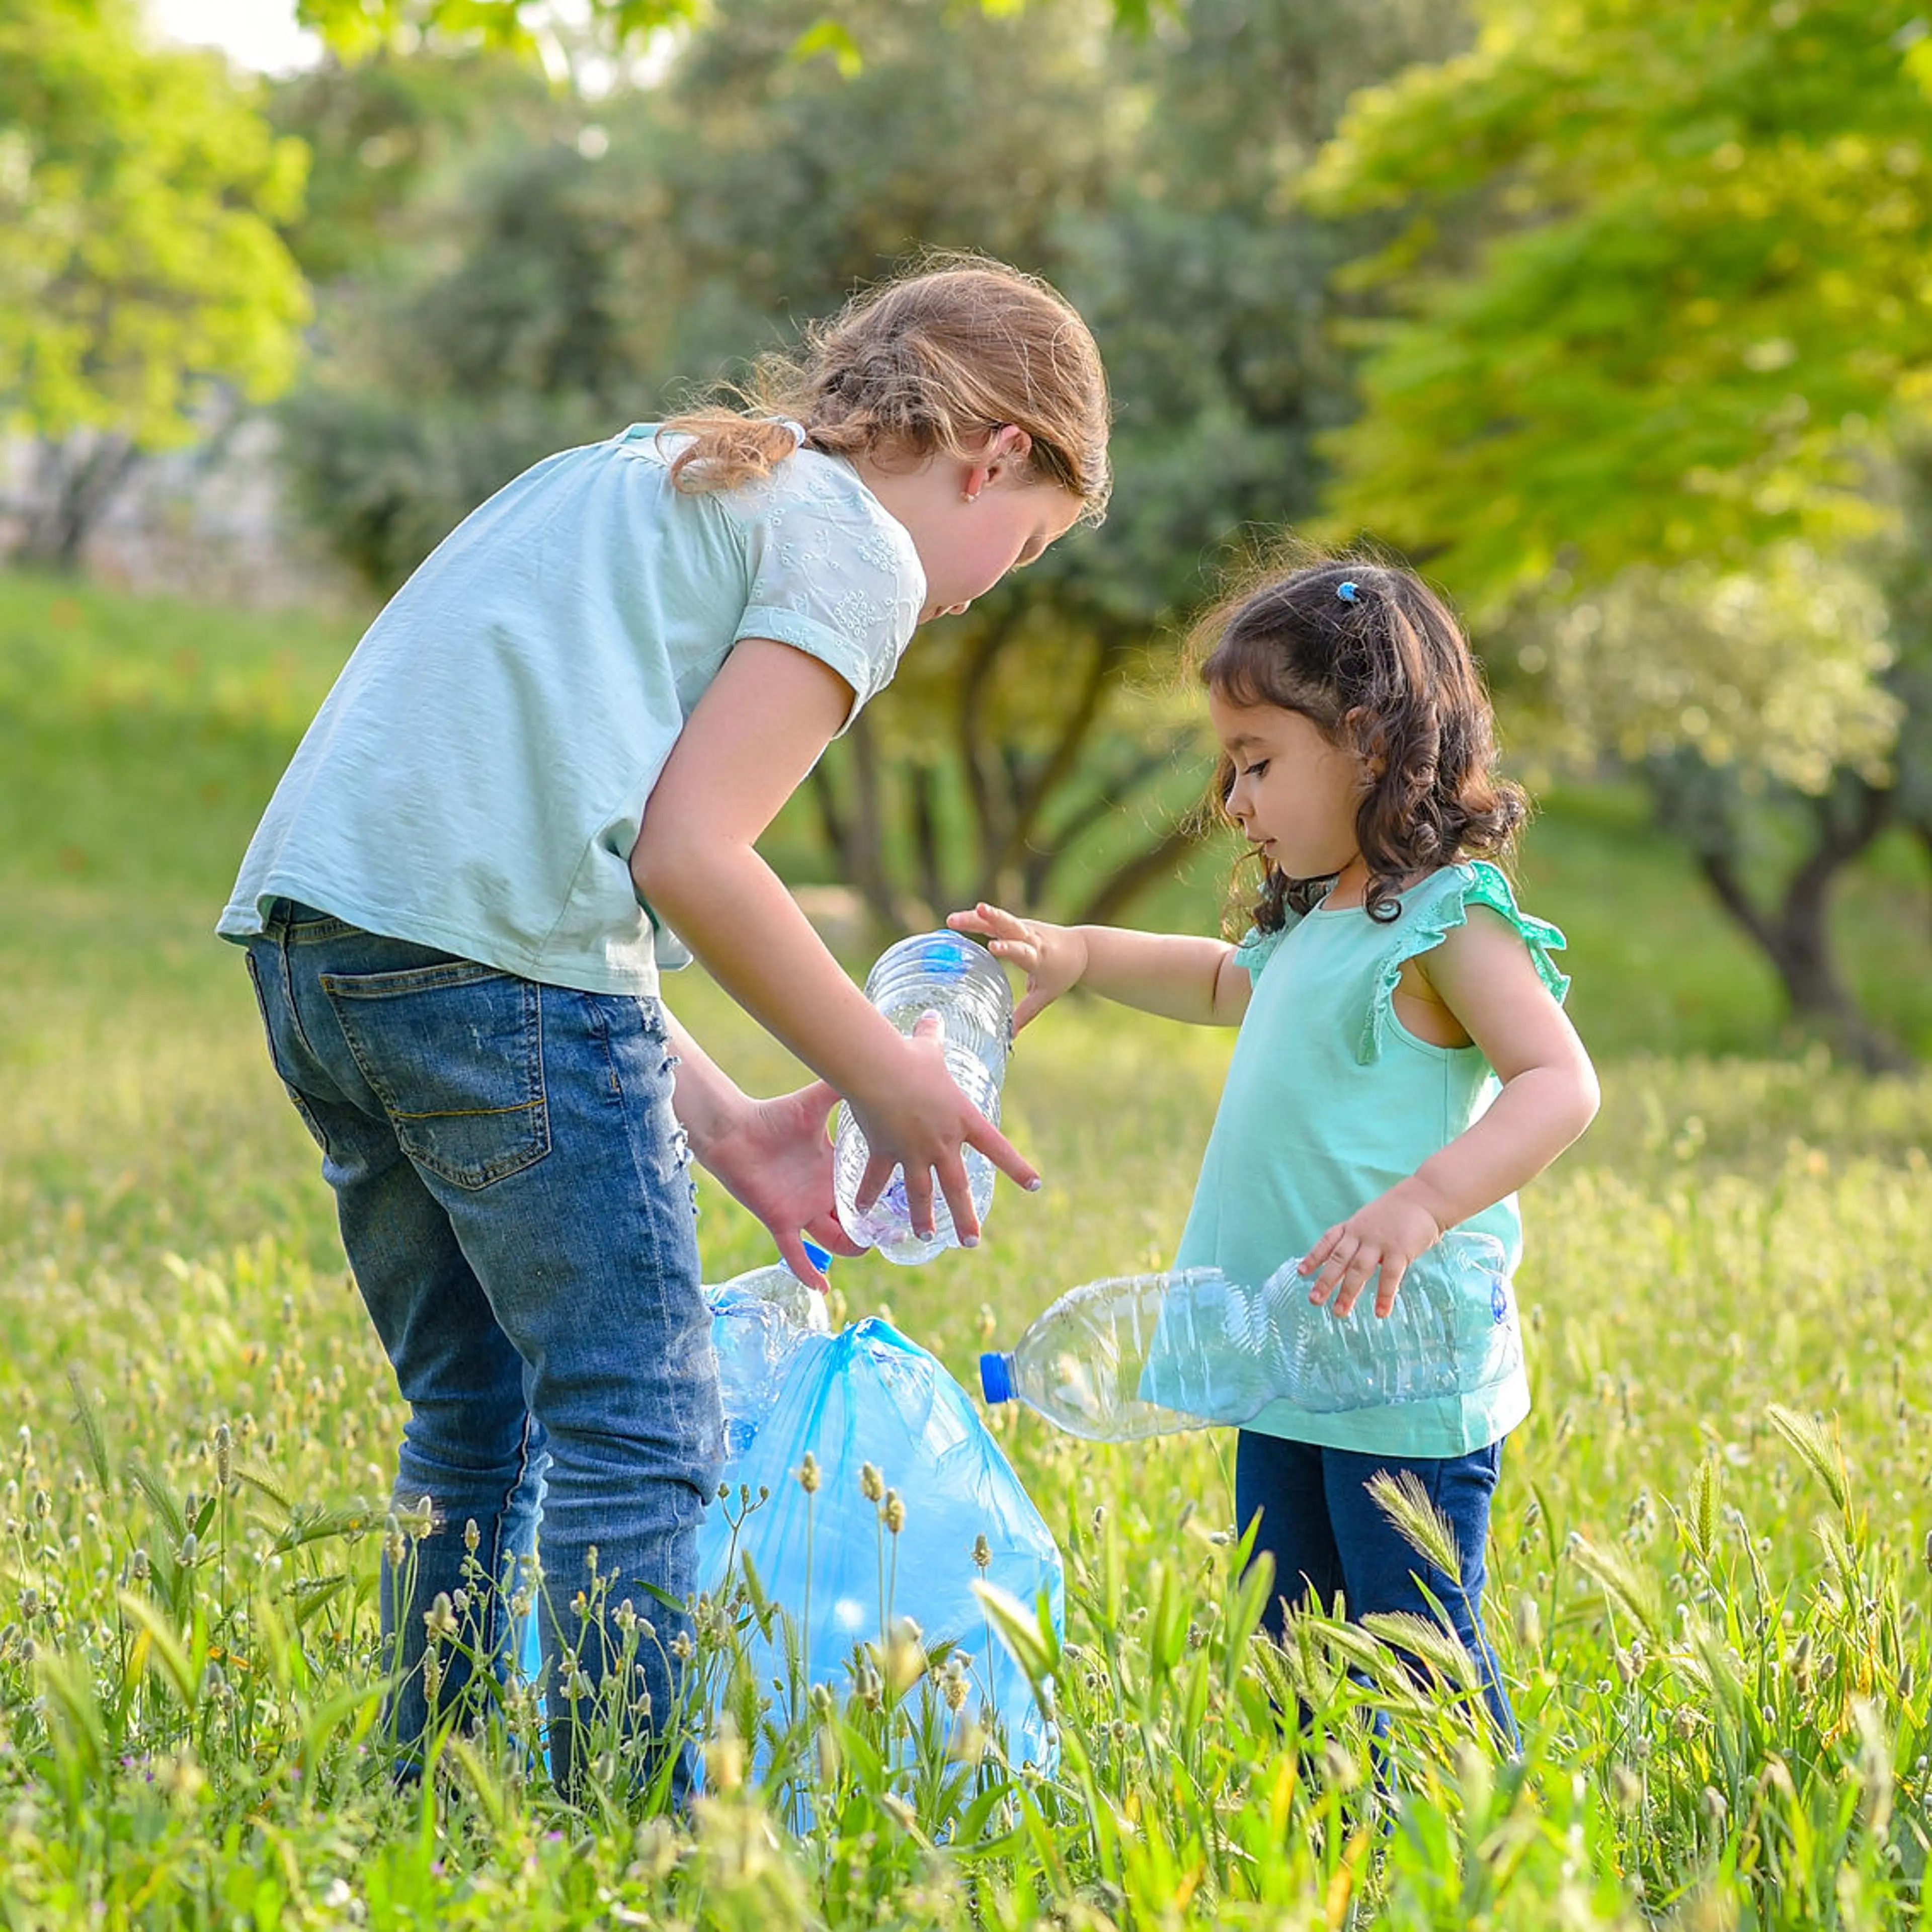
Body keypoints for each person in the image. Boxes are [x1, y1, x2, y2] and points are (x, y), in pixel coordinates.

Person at [218, 257, 1110, 1793]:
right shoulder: (855, 544)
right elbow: (689, 856)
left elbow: (527, 889)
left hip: (320, 954)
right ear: (998, 454)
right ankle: (616, 1823)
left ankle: (430, 1785)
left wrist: (731, 1121)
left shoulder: (658, 474)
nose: (983, 590)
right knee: (638, 1422)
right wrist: (880, 1071)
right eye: (1022, 548)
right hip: (481, 974)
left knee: (474, 1412)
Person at [951, 558, 1598, 1745]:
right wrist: (1081, 953)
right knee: (1294, 1645)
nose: (1235, 801)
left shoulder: (1448, 915)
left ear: (1368, 742)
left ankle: (1475, 1840)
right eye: (1229, 769)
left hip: (1400, 1367)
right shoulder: (1315, 917)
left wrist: (1423, 1203)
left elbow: (1559, 1083)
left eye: (1258, 763)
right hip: (1287, 1346)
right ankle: (1332, 1839)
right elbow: (1216, 981)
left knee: (1415, 1654)